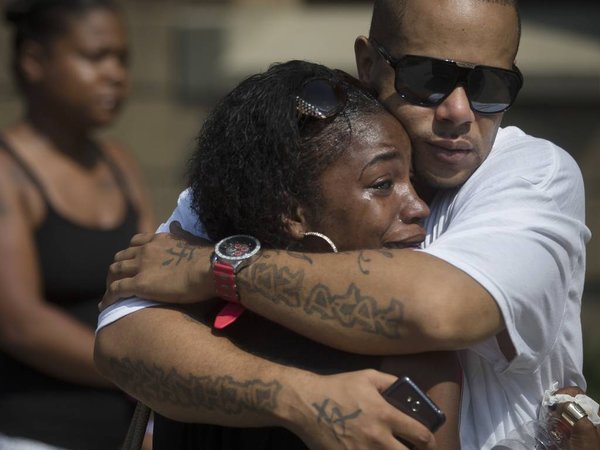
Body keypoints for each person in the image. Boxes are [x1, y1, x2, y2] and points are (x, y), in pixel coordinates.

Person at [95, 0, 593, 449]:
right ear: (370, 64)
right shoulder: (284, 159)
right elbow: (124, 340)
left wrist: (216, 266)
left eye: (491, 84)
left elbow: (437, 312)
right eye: (429, 77)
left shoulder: (532, 174)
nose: (459, 111)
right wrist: (304, 400)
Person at [99, 60, 462, 449]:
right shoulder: (413, 361)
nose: (419, 206)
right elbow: (116, 343)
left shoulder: (191, 317)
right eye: (383, 183)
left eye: (412, 180)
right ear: (290, 213)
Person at [0, 0, 155, 449]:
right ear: (34, 61)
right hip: (37, 434)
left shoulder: (120, 163)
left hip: (128, 432)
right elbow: (19, 323)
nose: (115, 74)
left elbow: (152, 283)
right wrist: (139, 370)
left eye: (122, 59)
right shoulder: (8, 172)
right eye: (95, 57)